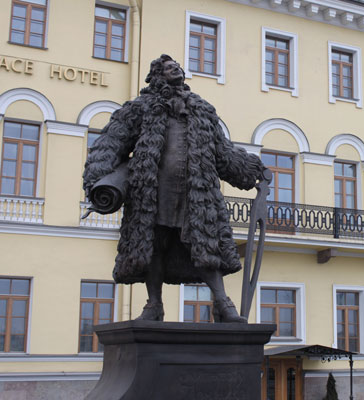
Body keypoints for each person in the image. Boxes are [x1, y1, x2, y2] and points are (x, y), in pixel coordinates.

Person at [83, 54, 266, 322]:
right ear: (157, 75)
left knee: (205, 243)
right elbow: (111, 142)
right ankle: (154, 304)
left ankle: (223, 304)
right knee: (154, 243)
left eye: (177, 66)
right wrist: (98, 181)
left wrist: (253, 170)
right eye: (169, 68)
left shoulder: (202, 110)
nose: (176, 69)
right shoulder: (141, 108)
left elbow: (223, 152)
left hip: (196, 191)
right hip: (152, 191)